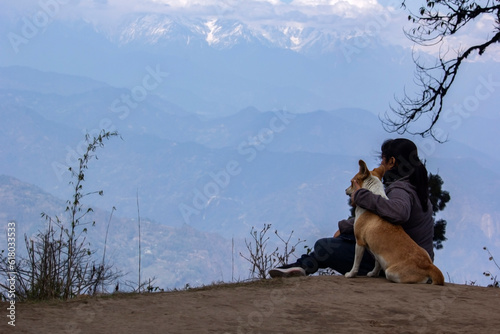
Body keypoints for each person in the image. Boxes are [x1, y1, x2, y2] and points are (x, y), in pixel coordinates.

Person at [268, 138, 435, 278]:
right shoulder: (415, 188)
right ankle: (302, 266)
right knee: (338, 242)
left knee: (324, 246)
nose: (380, 164)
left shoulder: (400, 190)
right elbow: (378, 220)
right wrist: (346, 227)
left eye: (383, 160)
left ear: (391, 162)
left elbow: (399, 213)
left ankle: (302, 266)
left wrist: (361, 194)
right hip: (413, 261)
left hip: (400, 262)